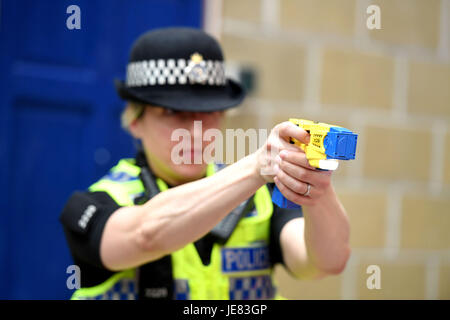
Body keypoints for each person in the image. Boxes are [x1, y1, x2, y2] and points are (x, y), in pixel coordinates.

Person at [60, 27, 350, 300]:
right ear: (135, 120)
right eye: (173, 112)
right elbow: (145, 236)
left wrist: (316, 188)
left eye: (208, 112)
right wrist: (255, 168)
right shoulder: (96, 204)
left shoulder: (262, 194)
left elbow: (326, 262)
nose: (195, 130)